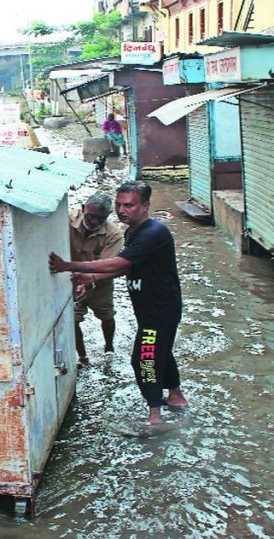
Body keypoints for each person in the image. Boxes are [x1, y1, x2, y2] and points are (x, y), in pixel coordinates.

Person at [49, 181, 186, 424]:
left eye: (130, 205)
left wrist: (69, 266)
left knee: (144, 359)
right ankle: (175, 396)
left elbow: (119, 264)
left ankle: (155, 418)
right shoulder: (133, 231)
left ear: (145, 206)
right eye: (119, 205)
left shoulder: (154, 233)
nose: (123, 210)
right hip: (148, 308)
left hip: (159, 311)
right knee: (160, 353)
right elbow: (127, 268)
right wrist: (91, 277)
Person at [69, 192, 123, 368]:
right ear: (83, 209)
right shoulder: (67, 219)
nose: (93, 221)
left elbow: (107, 266)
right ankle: (82, 357)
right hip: (71, 280)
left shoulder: (114, 235)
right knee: (72, 320)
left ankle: (109, 347)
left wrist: (88, 282)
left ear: (107, 217)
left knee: (106, 316)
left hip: (100, 282)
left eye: (99, 219)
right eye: (90, 216)